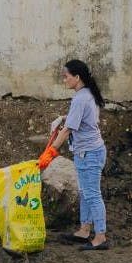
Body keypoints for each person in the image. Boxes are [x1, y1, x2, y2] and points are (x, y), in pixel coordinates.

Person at [39, 60, 109, 250]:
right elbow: (81, 119)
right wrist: (62, 118)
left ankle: (100, 236)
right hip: (86, 152)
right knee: (85, 192)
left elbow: (67, 131)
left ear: (77, 77)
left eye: (66, 76)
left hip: (90, 153)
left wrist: (50, 152)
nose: (64, 80)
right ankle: (84, 230)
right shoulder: (86, 94)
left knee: (93, 194)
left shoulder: (81, 98)